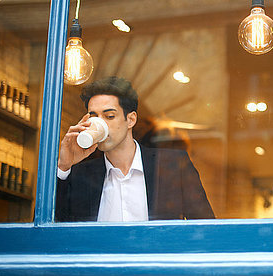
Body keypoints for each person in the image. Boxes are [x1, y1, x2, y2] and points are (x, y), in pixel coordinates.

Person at [56, 76, 215, 222]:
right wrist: (63, 167)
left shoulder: (172, 166)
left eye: (109, 116)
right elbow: (49, 231)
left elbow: (205, 229)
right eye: (94, 117)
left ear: (131, 119)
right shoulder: (81, 175)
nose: (100, 124)